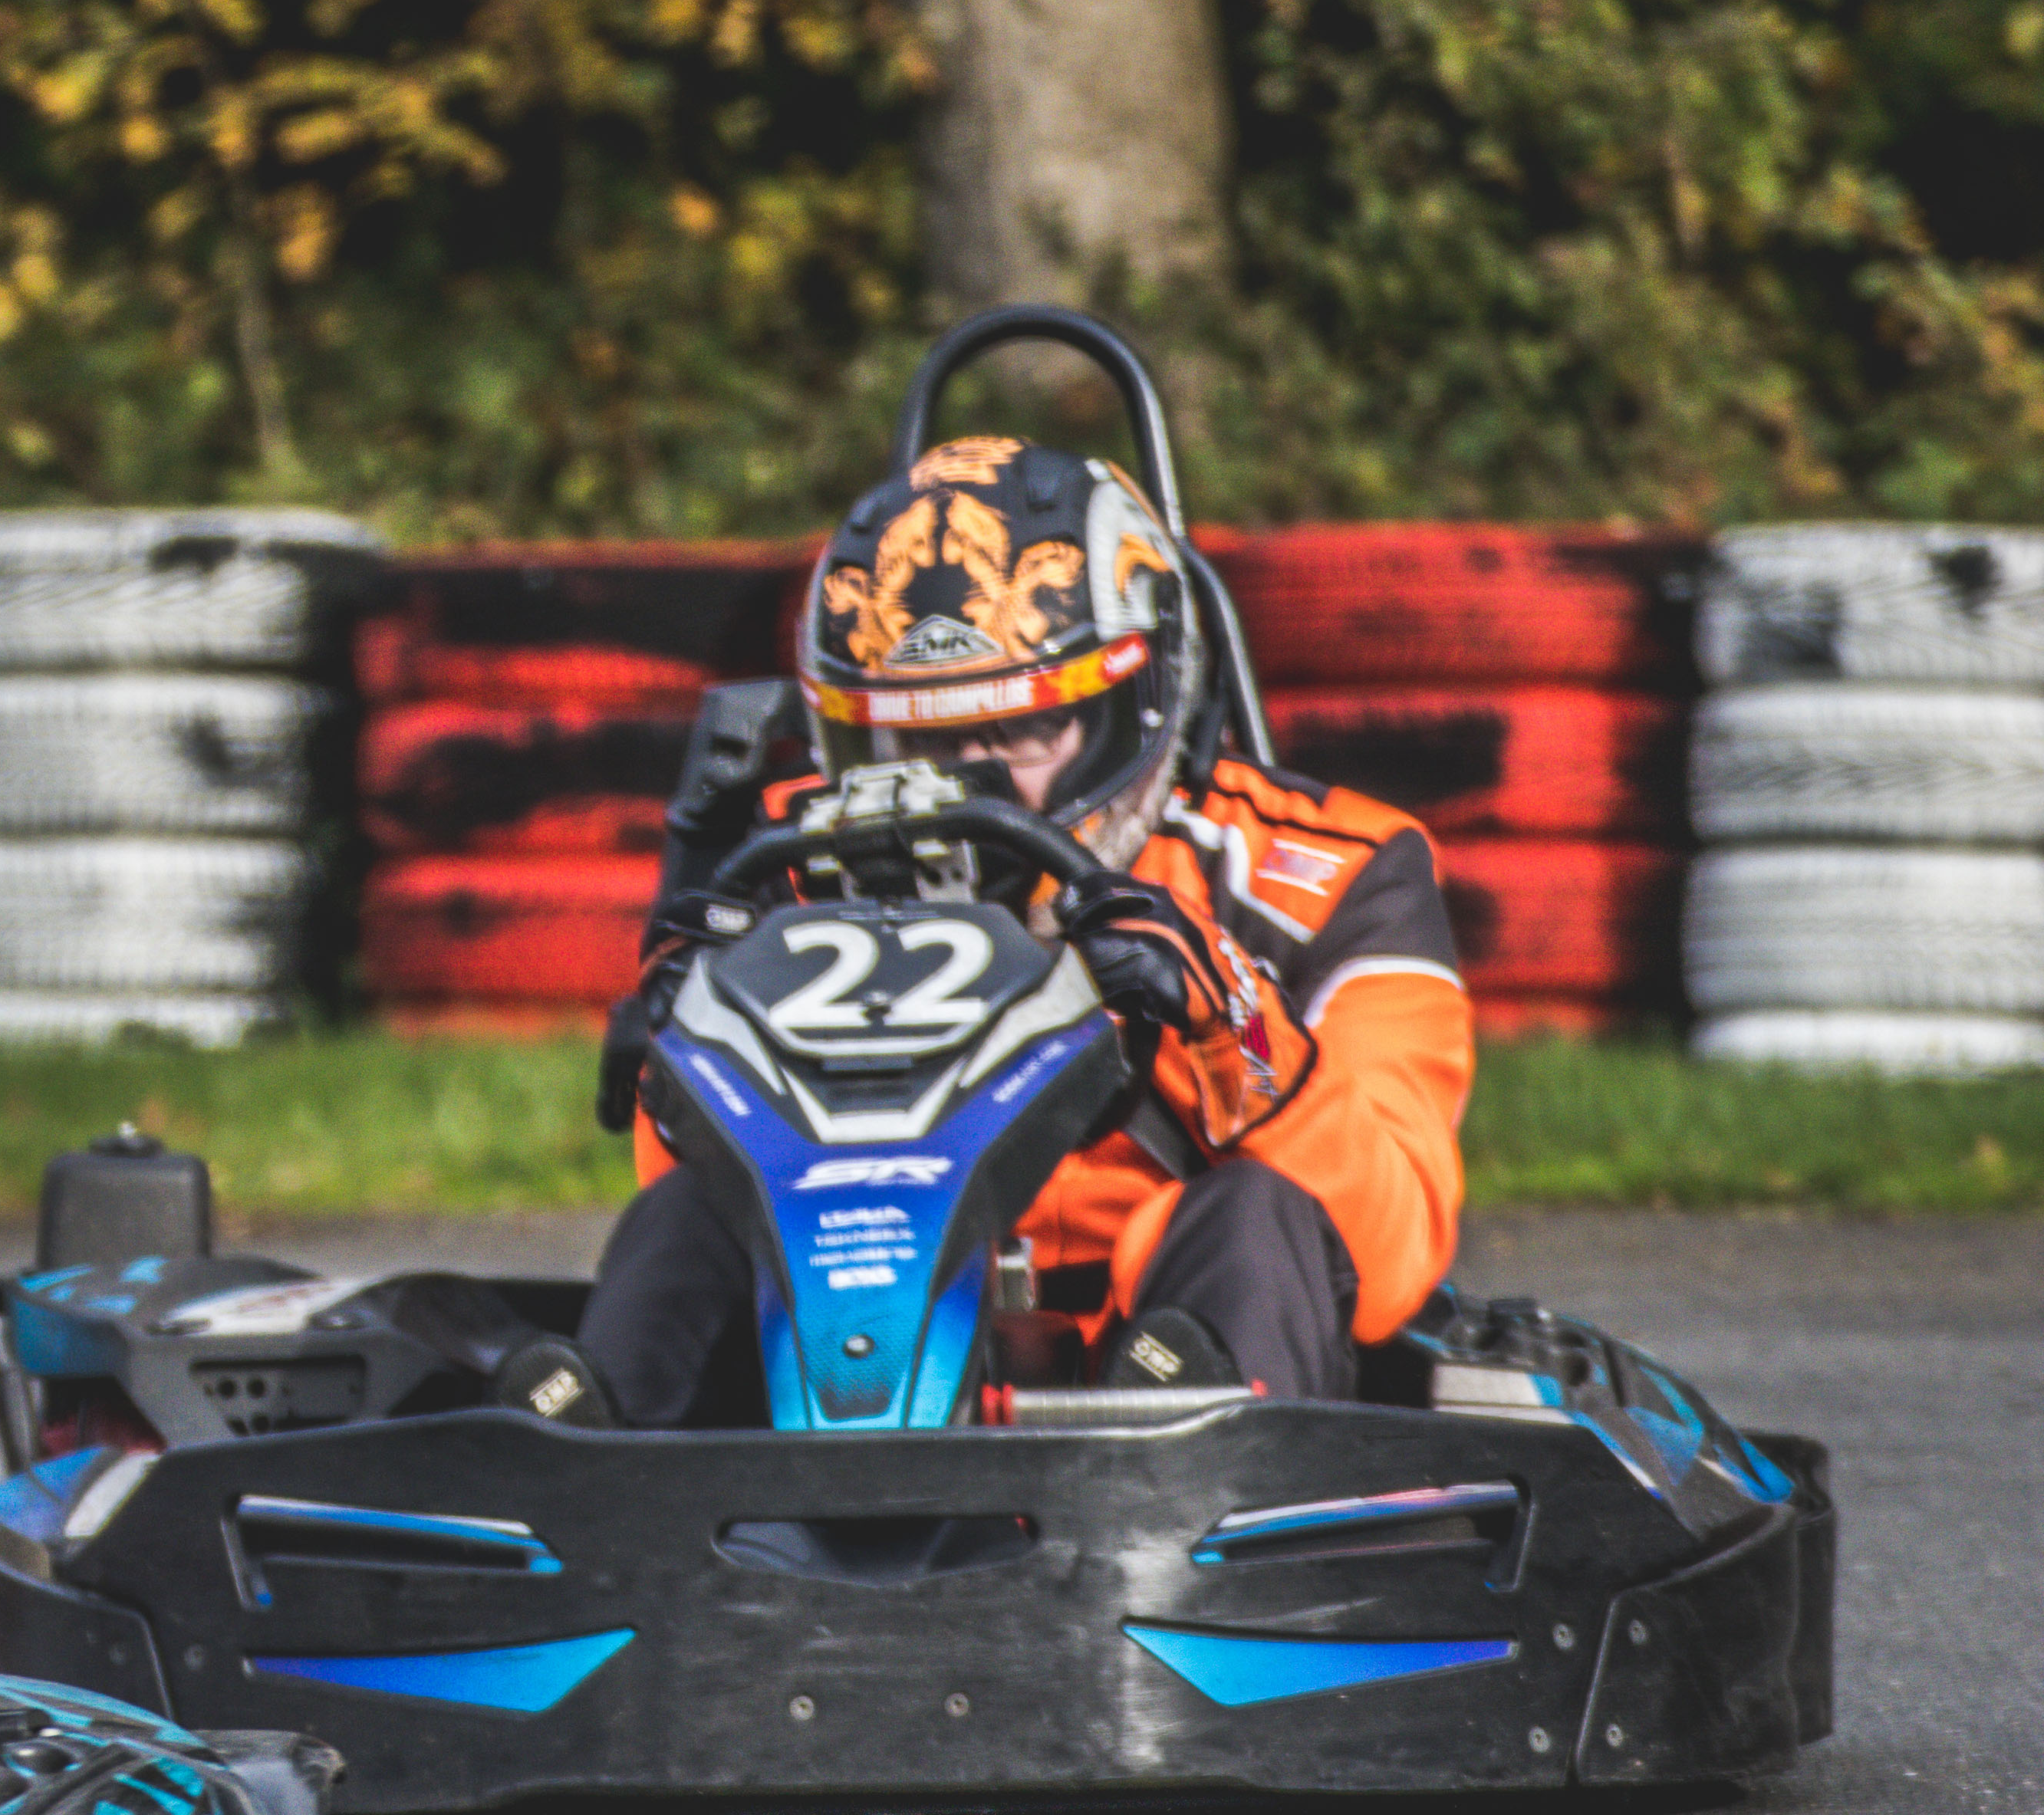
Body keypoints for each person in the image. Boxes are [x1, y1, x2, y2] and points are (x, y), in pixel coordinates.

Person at [543, 433, 1472, 1425]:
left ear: (1131, 699)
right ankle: (591, 1475)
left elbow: (1392, 1255)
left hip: (1163, 1369)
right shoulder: (778, 865)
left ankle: (1189, 1479)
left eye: (1023, 728)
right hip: (857, 1354)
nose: (966, 782)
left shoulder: (1334, 871)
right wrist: (688, 1044)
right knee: (693, 1214)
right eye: (923, 735)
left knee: (1256, 1213)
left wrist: (1230, 1027)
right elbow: (693, 1187)